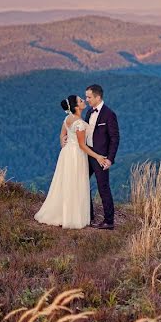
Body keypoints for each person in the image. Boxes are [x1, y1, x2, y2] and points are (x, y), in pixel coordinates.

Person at [33, 94, 107, 229]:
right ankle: (72, 216)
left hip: (67, 154)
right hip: (76, 156)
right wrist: (97, 156)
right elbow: (82, 145)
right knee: (75, 183)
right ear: (76, 107)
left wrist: (63, 144)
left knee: (66, 183)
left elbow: (62, 134)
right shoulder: (78, 123)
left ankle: (63, 213)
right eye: (80, 100)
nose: (83, 101)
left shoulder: (67, 118)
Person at [83, 84, 120, 230]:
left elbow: (115, 138)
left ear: (98, 97)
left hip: (101, 158)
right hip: (87, 155)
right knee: (82, 183)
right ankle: (89, 215)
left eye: (89, 97)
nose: (86, 100)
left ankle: (109, 221)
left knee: (103, 187)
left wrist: (109, 159)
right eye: (86, 97)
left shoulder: (109, 114)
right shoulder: (88, 112)